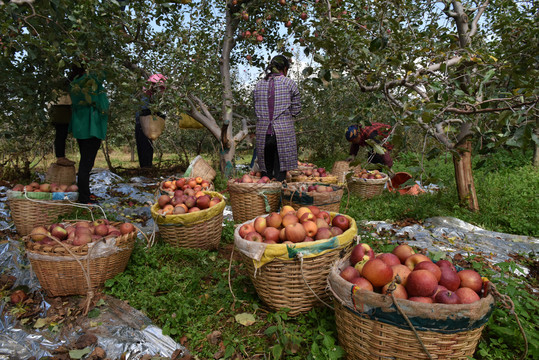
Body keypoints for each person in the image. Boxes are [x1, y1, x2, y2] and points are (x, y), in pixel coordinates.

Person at [254, 55, 301, 181]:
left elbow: (256, 107)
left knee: (266, 172)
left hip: (263, 132)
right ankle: (278, 197)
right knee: (280, 171)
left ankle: (266, 198)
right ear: (285, 68)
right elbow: (296, 109)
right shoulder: (289, 83)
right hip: (283, 132)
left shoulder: (259, 85)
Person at [69, 64, 109, 204]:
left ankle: (85, 193)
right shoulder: (90, 81)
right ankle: (84, 198)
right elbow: (100, 102)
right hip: (92, 127)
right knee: (86, 164)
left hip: (81, 127)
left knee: (85, 162)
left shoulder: (73, 83)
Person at [135, 73, 167, 168]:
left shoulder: (151, 95)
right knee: (144, 146)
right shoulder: (146, 95)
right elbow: (144, 111)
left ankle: (146, 166)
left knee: (146, 146)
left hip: (146, 124)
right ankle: (146, 167)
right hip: (143, 124)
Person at [49, 87, 76, 167]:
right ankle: (60, 157)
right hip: (60, 107)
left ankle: (61, 156)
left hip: (59, 107)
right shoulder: (61, 82)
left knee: (61, 133)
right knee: (61, 133)